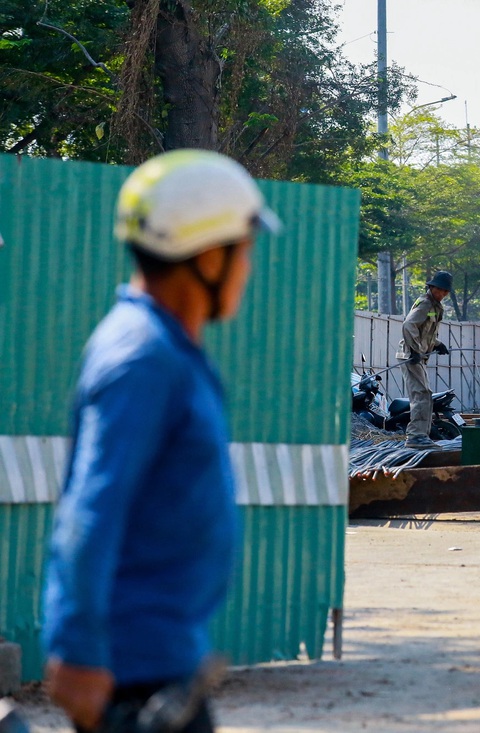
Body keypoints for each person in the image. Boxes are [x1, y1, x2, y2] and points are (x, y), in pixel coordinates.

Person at [41, 150, 279, 733]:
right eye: (244, 253)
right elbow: (90, 510)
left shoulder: (168, 347)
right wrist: (78, 649)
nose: (248, 269)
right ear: (208, 255)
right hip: (130, 670)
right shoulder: (142, 358)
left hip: (166, 657)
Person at [397, 271, 452, 449]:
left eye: (445, 291)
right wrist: (414, 350)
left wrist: (437, 344)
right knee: (421, 394)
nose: (442, 294)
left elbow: (425, 332)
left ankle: (422, 436)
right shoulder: (426, 303)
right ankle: (415, 436)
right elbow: (408, 325)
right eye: (439, 290)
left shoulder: (435, 306)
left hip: (418, 355)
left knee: (425, 394)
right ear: (431, 287)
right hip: (410, 356)